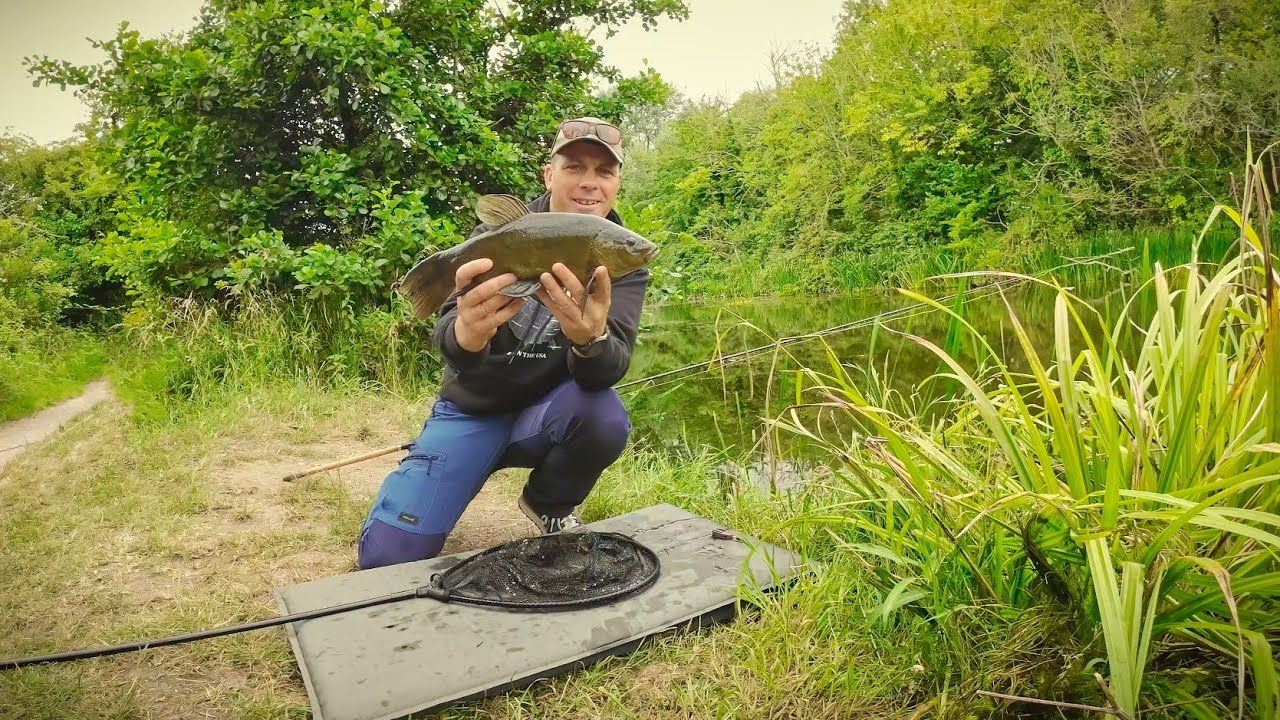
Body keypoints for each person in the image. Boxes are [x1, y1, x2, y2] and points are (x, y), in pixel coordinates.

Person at [356, 117, 650, 570]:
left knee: (605, 415)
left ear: (617, 183)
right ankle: (433, 483)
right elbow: (451, 342)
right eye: (574, 167)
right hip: (472, 411)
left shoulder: (621, 261)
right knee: (385, 561)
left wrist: (590, 342)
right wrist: (466, 336)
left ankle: (548, 503)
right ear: (549, 173)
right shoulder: (501, 238)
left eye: (604, 172)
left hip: (549, 415)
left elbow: (609, 369)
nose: (590, 183)